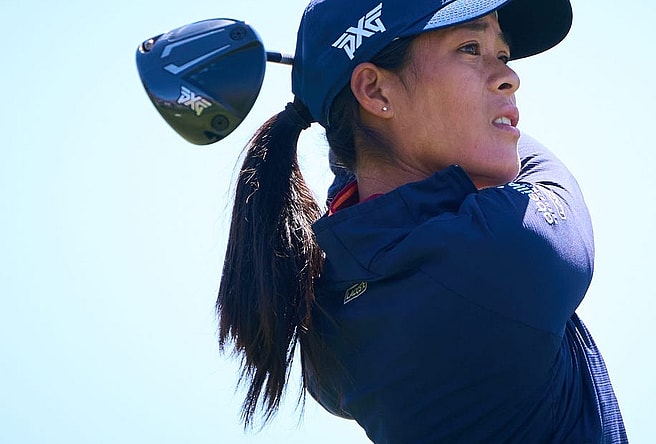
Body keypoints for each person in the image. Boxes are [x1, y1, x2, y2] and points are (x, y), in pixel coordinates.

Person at [216, 0, 628, 442]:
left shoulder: (329, 299)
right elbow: (535, 171)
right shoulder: (505, 249)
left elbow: (366, 176)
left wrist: (343, 107)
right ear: (375, 92)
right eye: (471, 48)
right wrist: (492, 123)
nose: (510, 77)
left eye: (503, 54)